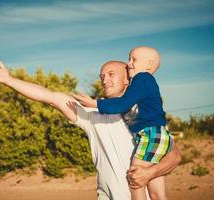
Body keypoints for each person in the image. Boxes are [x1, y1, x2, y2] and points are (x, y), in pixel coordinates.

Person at [0, 60, 181, 200]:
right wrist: (9, 80)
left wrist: (148, 174)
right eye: (102, 75)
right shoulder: (91, 114)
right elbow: (50, 96)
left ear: (128, 80)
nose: (104, 79)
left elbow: (174, 157)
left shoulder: (145, 118)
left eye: (111, 74)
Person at [72, 46, 172, 200]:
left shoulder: (142, 78)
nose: (129, 63)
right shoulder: (148, 83)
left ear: (148, 65)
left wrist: (93, 103)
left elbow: (121, 104)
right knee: (157, 193)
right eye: (129, 58)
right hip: (160, 134)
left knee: (135, 178)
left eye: (134, 59)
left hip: (151, 135)